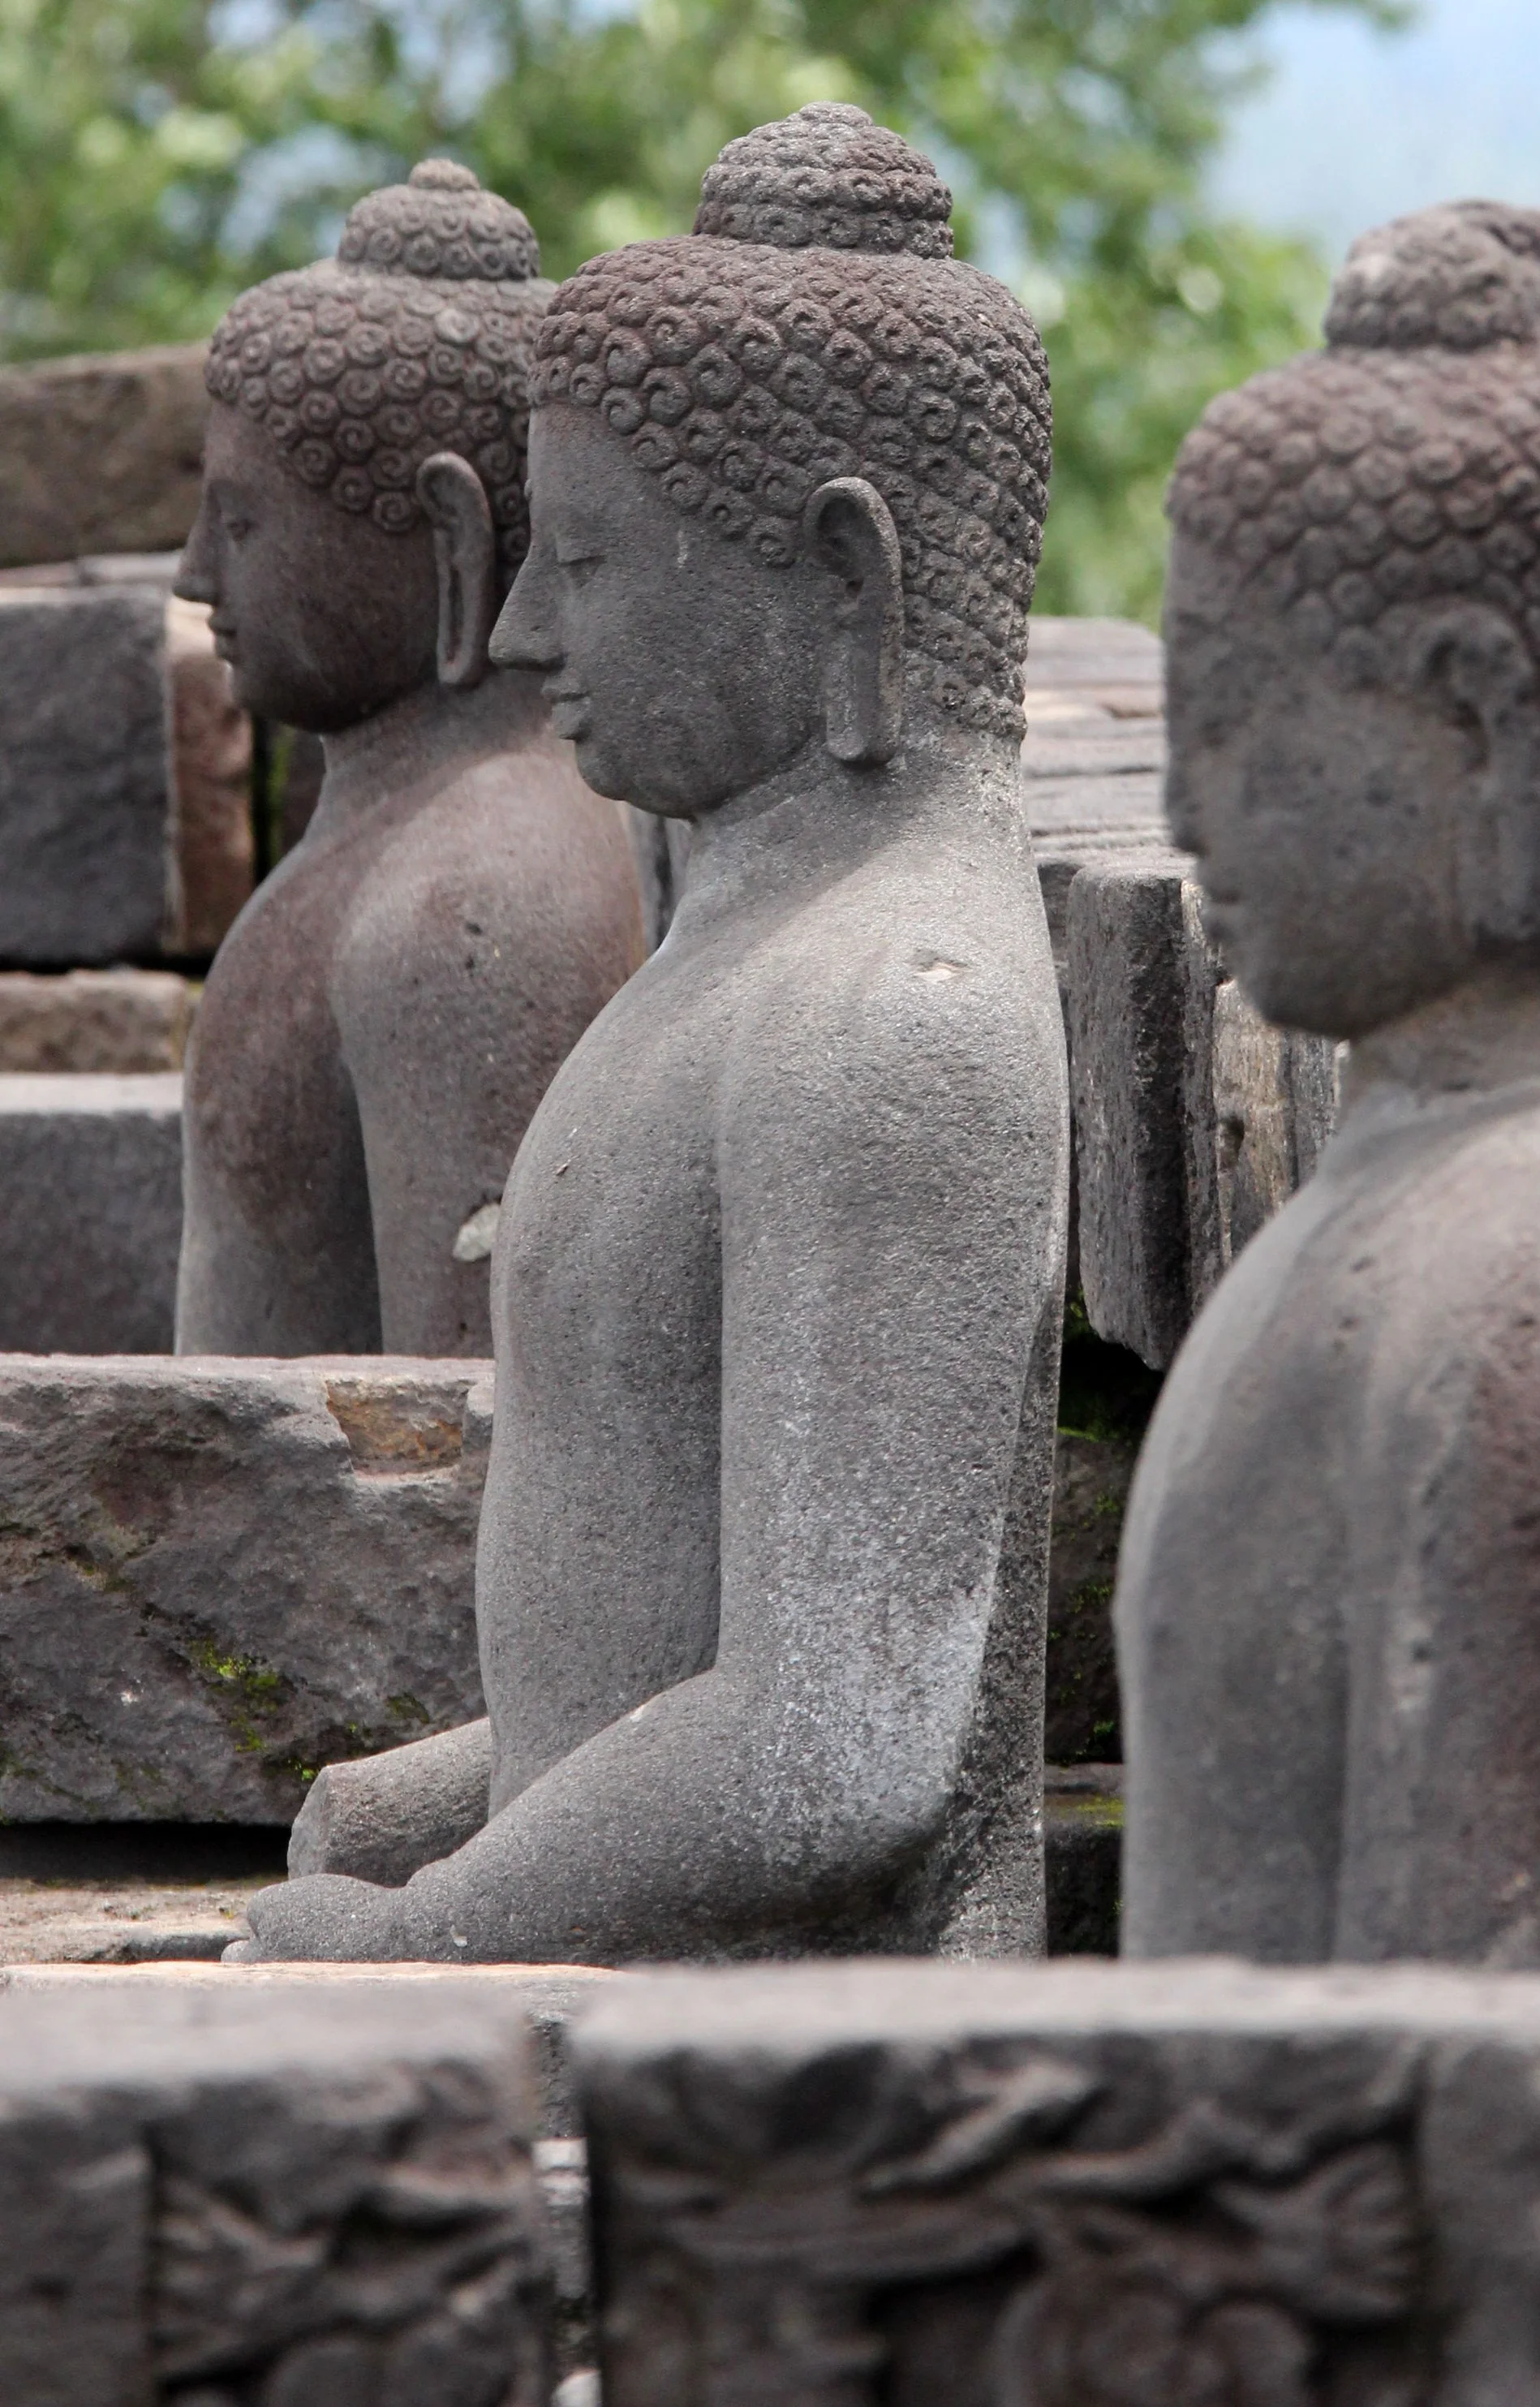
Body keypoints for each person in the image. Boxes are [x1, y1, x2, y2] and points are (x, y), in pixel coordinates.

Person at [229, 107, 1068, 1965]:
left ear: (838, 580)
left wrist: (427, 1931)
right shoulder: (743, 938)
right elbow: (653, 1659)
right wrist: (440, 1801)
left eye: (592, 563)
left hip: (800, 2087)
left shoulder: (890, 1023)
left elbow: (836, 1745)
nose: (524, 628)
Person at [1116, 201, 1540, 2407]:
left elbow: (1514, 2121)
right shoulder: (1424, 1206)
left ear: (1483, 716)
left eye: (1232, 724)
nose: (1177, 809)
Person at [174, 160, 643, 1355]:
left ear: (452, 536)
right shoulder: (409, 842)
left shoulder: (477, 906)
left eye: (240, 524)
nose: (193, 578)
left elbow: (460, 1440)